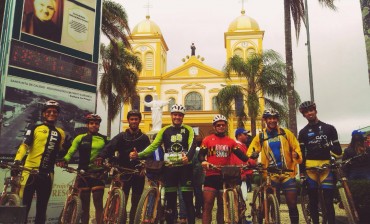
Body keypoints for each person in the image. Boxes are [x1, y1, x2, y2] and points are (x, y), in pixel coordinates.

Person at [130, 104, 196, 224]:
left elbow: (192, 144)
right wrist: (139, 155)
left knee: (187, 200)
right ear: (171, 115)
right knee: (170, 201)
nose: (177, 117)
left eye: (180, 115)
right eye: (175, 114)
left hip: (185, 169)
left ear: (183, 117)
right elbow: (153, 146)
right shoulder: (164, 130)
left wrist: (189, 157)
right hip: (170, 169)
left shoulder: (188, 129)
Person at [13, 100, 65, 224]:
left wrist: (64, 155)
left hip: (47, 175)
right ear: (44, 114)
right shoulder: (35, 127)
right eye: (49, 111)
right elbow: (24, 145)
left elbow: (59, 153)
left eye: (55, 112)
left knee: (42, 209)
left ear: (57, 114)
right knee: (24, 207)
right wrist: (17, 160)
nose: (52, 113)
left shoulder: (60, 133)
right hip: (30, 172)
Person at [247, 109, 302, 224]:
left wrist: (296, 154)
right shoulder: (260, 136)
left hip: (287, 172)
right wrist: (253, 154)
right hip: (270, 175)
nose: (272, 120)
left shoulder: (286, 133)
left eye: (274, 118)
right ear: (265, 120)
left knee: (292, 204)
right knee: (271, 204)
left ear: (277, 119)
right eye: (269, 118)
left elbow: (296, 146)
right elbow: (251, 150)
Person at [95, 110, 150, 224]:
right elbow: (109, 147)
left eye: (136, 119)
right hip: (123, 173)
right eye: (132, 119)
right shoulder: (121, 136)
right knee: (122, 202)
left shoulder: (144, 138)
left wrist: (145, 166)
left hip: (137, 174)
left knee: (136, 202)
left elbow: (149, 154)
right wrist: (101, 156)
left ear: (139, 121)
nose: (134, 121)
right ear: (128, 121)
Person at [56, 114, 108, 224]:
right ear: (87, 125)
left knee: (98, 204)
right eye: (91, 123)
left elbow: (108, 153)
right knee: (84, 206)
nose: (94, 125)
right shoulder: (80, 138)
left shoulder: (104, 139)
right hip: (83, 174)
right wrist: (64, 160)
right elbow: (71, 151)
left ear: (99, 126)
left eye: (96, 124)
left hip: (98, 174)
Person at [199, 114, 250, 224]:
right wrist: (203, 161)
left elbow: (241, 155)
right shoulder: (207, 140)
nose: (221, 127)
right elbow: (201, 155)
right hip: (211, 176)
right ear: (214, 127)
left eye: (223, 125)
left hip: (225, 177)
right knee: (207, 205)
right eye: (218, 125)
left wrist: (251, 162)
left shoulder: (231, 142)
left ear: (226, 126)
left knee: (222, 207)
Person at [298, 101, 342, 224]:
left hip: (326, 168)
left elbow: (338, 152)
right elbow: (301, 155)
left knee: (328, 202)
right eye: (306, 112)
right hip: (310, 169)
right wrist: (302, 174)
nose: (309, 113)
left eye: (311, 110)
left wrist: (328, 145)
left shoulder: (330, 128)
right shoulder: (303, 132)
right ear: (304, 115)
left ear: (315, 111)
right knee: (313, 201)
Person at [231, 128, 256, 199]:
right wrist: (242, 173)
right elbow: (238, 161)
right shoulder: (238, 146)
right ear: (239, 136)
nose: (247, 136)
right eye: (245, 134)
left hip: (243, 174)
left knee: (242, 197)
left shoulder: (243, 145)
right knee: (240, 197)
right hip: (240, 175)